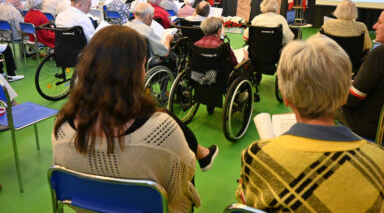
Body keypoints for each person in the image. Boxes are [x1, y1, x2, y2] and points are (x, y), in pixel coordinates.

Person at [52, 26, 211, 212]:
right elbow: (185, 175)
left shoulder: (62, 123)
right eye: (143, 65)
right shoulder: (161, 128)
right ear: (135, 72)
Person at [237, 35, 384, 211]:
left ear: (285, 96)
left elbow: (246, 203)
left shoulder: (255, 155)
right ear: (345, 95)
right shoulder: (379, 162)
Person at [338, 11, 384, 139]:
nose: (374, 26)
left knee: (324, 99)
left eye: (380, 22)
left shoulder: (379, 54)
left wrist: (336, 89)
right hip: (378, 122)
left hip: (367, 125)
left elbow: (353, 100)